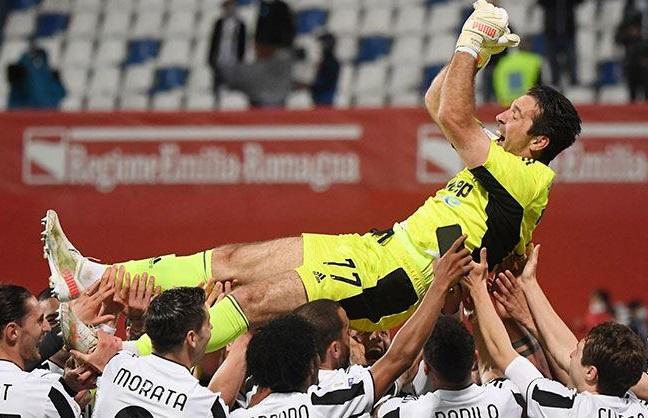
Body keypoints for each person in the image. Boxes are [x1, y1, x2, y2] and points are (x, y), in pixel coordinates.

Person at [44, 0, 582, 357]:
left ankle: (120, 355)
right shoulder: (500, 162)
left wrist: (470, 39)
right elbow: (437, 102)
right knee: (233, 259)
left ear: (539, 142)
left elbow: (457, 117)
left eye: (517, 114)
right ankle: (91, 276)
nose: (503, 116)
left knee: (251, 301)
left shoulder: (529, 180)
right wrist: (477, 55)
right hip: (374, 248)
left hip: (398, 278)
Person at [230, 238, 472, 417]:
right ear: (313, 362)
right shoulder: (329, 403)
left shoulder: (246, 398)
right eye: (349, 332)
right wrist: (440, 285)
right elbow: (401, 357)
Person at [463, 246, 648, 417]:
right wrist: (529, 284)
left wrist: (477, 289)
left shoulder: (564, 408)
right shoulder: (639, 407)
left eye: (576, 352)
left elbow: (503, 353)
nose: (571, 354)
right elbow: (564, 351)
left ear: (591, 373)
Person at [75, 287, 248, 417]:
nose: (211, 328)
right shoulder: (206, 405)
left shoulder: (113, 364)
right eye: (208, 323)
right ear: (192, 338)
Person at [375, 315, 525, 417]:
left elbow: (374, 405)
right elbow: (491, 373)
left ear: (426, 368)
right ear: (475, 359)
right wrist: (474, 316)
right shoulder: (509, 398)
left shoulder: (408, 412)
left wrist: (401, 379)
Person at [0, 284, 89, 417]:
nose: (47, 328)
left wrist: (67, 388)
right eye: (39, 321)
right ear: (13, 332)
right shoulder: (46, 395)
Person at [537, 0, 583, 88]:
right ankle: (555, 82)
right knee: (552, 60)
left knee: (571, 59)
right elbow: (541, 3)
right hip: (551, 33)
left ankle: (573, 82)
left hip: (568, 33)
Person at [208, 0, 246, 93]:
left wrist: (240, 60)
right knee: (217, 83)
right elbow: (213, 41)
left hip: (233, 58)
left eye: (231, 7)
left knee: (231, 86)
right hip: (219, 57)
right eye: (227, 8)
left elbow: (242, 44)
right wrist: (210, 57)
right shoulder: (219, 23)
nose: (229, 10)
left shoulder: (241, 24)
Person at [615, 0, 648, 101]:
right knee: (632, 95)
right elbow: (618, 37)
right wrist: (629, 33)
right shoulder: (629, 8)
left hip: (644, 58)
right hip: (632, 59)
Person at [310, 32, 340, 106]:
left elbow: (323, 83)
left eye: (321, 44)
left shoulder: (331, 63)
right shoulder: (325, 61)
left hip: (325, 99)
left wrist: (308, 86)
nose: (318, 47)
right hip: (319, 97)